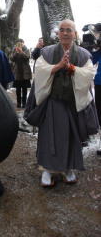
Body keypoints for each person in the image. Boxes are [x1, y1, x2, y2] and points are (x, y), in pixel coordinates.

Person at [24, 19, 99, 186]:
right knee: (49, 136)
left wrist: (72, 69)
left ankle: (69, 168)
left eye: (69, 30)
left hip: (72, 103)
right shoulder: (47, 52)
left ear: (75, 34)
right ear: (58, 33)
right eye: (62, 30)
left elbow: (88, 73)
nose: (65, 33)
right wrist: (57, 66)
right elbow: (40, 71)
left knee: (71, 137)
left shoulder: (83, 54)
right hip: (52, 103)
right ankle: (47, 170)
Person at [10, 38, 32, 108]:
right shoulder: (14, 50)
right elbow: (12, 59)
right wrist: (16, 52)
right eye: (19, 43)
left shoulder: (27, 50)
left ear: (23, 43)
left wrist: (21, 52)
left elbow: (27, 57)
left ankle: (24, 103)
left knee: (24, 88)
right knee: (18, 88)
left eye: (21, 42)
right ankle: (19, 103)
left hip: (25, 72)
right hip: (17, 72)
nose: (20, 44)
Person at [90, 25, 101, 155]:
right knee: (100, 112)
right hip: (99, 83)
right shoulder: (99, 50)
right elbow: (91, 59)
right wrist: (94, 45)